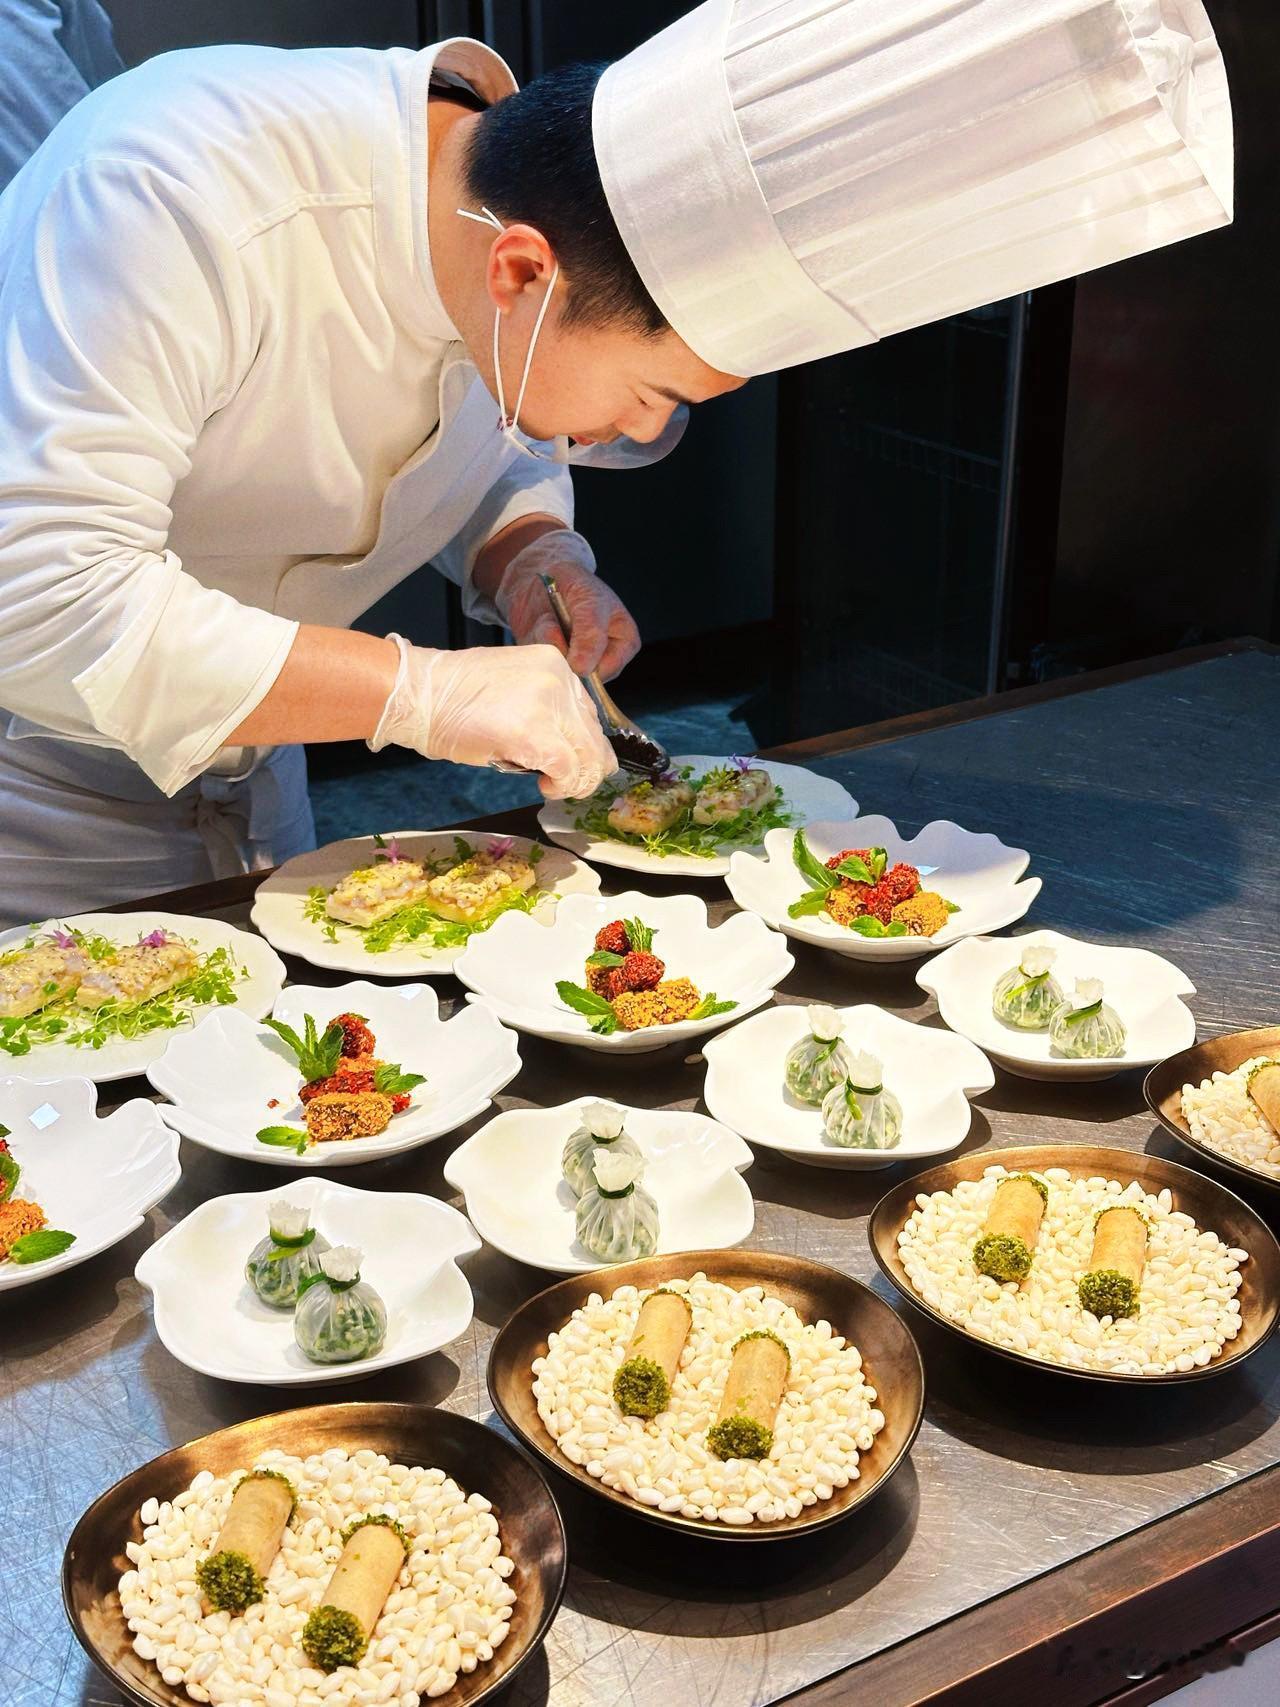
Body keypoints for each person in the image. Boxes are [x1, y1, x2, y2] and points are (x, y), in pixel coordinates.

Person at [0, 0, 1232, 925]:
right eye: (651, 397)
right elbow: (40, 599)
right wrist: (423, 694)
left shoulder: (484, 226)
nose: (639, 436)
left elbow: (473, 418)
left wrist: (529, 550)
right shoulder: (166, 189)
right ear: (523, 272)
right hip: (35, 795)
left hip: (261, 765)